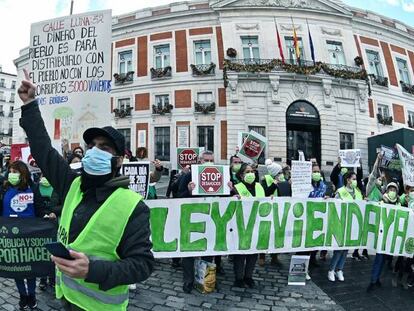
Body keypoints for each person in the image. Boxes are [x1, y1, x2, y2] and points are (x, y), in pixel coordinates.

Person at [18, 70, 154, 311]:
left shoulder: (133, 205)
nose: (94, 151)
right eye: (91, 145)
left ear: (119, 160)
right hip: (66, 299)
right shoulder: (72, 184)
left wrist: (92, 270)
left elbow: (142, 265)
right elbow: (43, 150)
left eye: (104, 147)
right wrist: (30, 105)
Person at [0, 161, 45, 310]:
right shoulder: (4, 188)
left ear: (23, 173)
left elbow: (39, 210)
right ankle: (22, 295)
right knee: (16, 267)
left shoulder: (33, 188)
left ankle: (31, 295)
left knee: (30, 267)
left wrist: (47, 217)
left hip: (29, 234)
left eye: (16, 171)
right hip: (10, 235)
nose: (12, 173)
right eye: (10, 170)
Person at [232, 163, 264, 288]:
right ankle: (239, 278)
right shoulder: (236, 188)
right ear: (241, 175)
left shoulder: (259, 187)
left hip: (256, 224)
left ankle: (248, 276)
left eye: (252, 171)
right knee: (240, 253)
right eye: (247, 172)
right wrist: (233, 198)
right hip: (241, 224)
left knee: (253, 253)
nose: (251, 174)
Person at [328, 171, 363, 282]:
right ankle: (331, 270)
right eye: (353, 178)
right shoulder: (340, 191)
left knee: (346, 249)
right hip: (341, 223)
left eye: (355, 179)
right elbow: (334, 206)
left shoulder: (357, 192)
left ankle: (339, 269)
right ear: (348, 180)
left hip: (352, 225)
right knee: (339, 249)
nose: (355, 181)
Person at [367, 182, 399, 292]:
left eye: (394, 190)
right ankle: (372, 280)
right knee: (379, 259)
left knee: (384, 260)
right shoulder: (382, 202)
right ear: (386, 190)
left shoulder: (398, 204)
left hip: (391, 238)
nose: (392, 192)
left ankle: (377, 279)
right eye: (390, 189)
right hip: (382, 236)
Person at [36, 174, 61, 291]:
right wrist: (43, 214)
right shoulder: (36, 188)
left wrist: (54, 212)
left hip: (54, 225)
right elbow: (36, 205)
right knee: (41, 252)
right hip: (40, 225)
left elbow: (63, 204)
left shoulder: (58, 188)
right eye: (43, 175)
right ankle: (42, 279)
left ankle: (52, 278)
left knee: (53, 251)